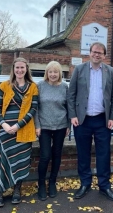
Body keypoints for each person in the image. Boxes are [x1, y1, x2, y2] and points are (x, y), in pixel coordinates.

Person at [67, 42, 113, 201]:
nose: (97, 55)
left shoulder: (110, 71)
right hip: (82, 120)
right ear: (90, 53)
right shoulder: (79, 69)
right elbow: (71, 94)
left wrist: (112, 118)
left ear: (104, 55)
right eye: (94, 52)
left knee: (104, 154)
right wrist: (73, 115)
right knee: (83, 153)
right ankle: (85, 183)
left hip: (102, 121)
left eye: (100, 53)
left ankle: (104, 186)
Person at [0, 57, 39, 208]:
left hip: (24, 130)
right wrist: (3, 124)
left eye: (22, 68)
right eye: (17, 68)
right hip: (5, 130)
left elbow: (33, 109)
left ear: (26, 69)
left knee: (21, 161)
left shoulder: (33, 87)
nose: (19, 70)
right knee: (3, 158)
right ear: (13, 69)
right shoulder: (4, 86)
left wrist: (18, 126)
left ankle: (17, 190)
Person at [35, 61, 70, 201]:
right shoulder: (40, 86)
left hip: (61, 125)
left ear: (60, 73)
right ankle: (41, 183)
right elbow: (35, 107)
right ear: (47, 73)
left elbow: (69, 107)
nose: (53, 74)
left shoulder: (64, 87)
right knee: (45, 155)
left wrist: (68, 125)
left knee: (57, 154)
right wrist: (37, 125)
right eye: (50, 72)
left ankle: (52, 182)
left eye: (56, 72)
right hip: (44, 126)